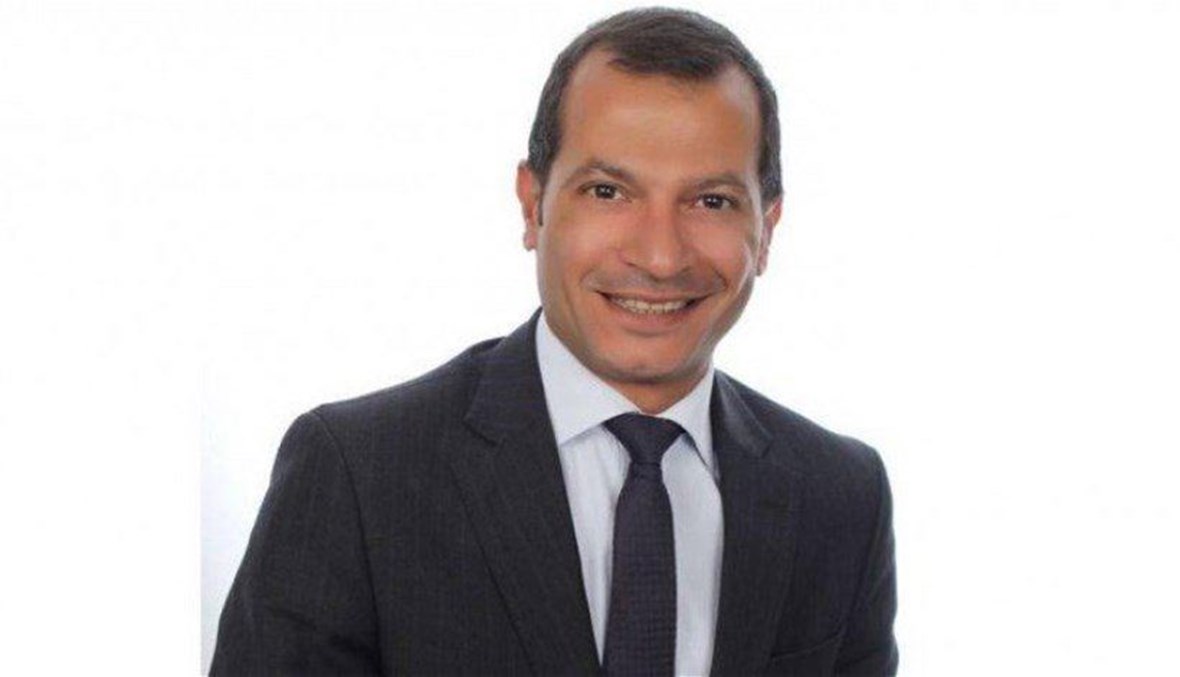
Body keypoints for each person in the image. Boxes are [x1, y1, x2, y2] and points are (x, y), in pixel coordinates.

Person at [211, 7, 897, 676]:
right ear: (532, 204)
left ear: (767, 228)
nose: (660, 256)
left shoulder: (842, 497)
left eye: (711, 201)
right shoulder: (359, 474)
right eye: (607, 191)